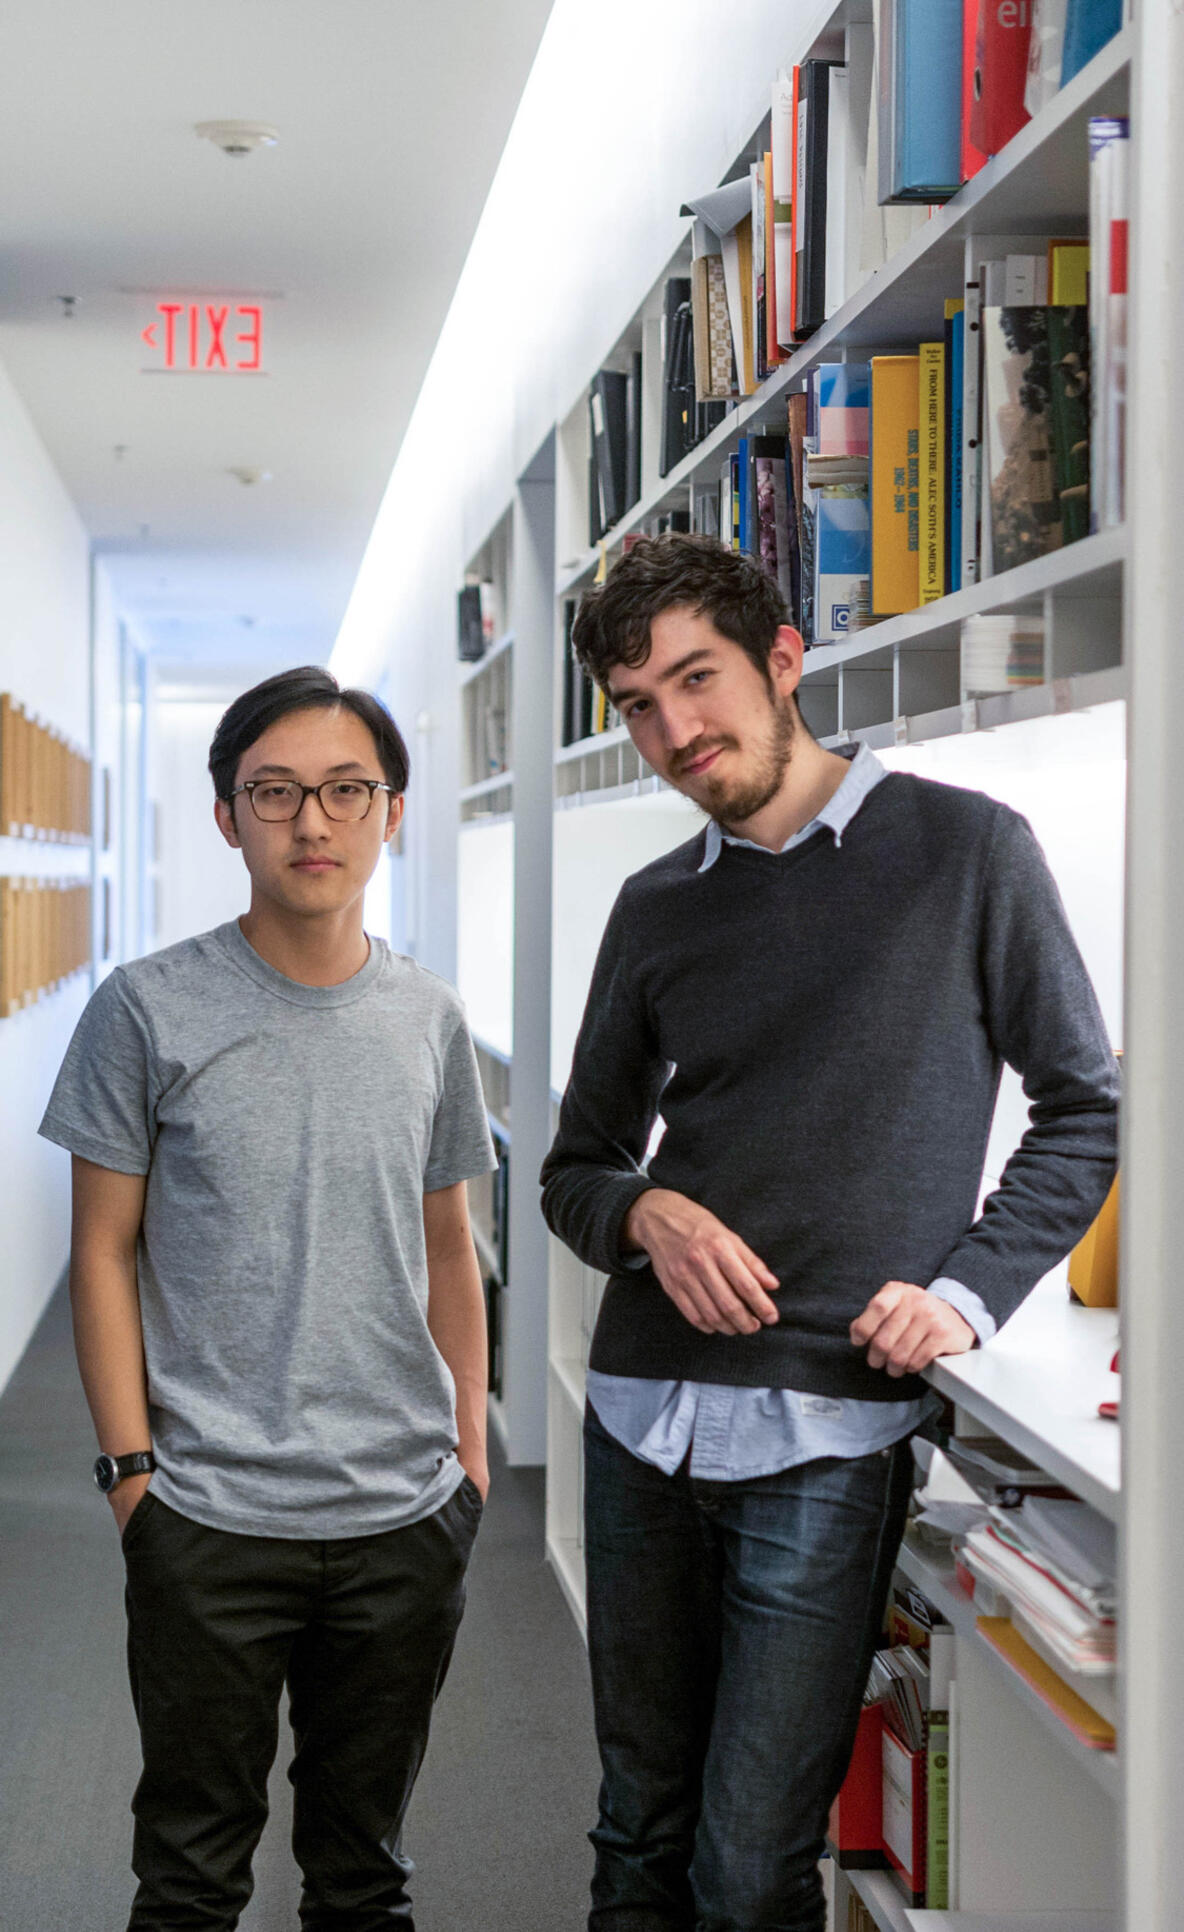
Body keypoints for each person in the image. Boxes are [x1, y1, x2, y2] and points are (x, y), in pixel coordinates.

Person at [540, 534, 1119, 1932]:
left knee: (750, 1868)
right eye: (637, 704)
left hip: (833, 1428)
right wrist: (648, 1212)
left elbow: (1084, 1111)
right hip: (638, 1417)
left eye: (698, 680)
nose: (674, 730)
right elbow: (577, 1169)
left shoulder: (968, 851)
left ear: (783, 660)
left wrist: (966, 1297)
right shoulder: (655, 907)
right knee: (636, 1832)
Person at [39, 667, 495, 1932]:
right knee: (189, 1872)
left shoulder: (427, 1018)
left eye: (346, 791)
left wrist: (468, 1446)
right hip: (208, 1513)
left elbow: (449, 1243)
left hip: (403, 1514)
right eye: (277, 792)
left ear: (389, 812)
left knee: (363, 1871)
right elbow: (102, 1251)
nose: (314, 823)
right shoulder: (145, 1009)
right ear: (228, 813)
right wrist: (134, 1473)